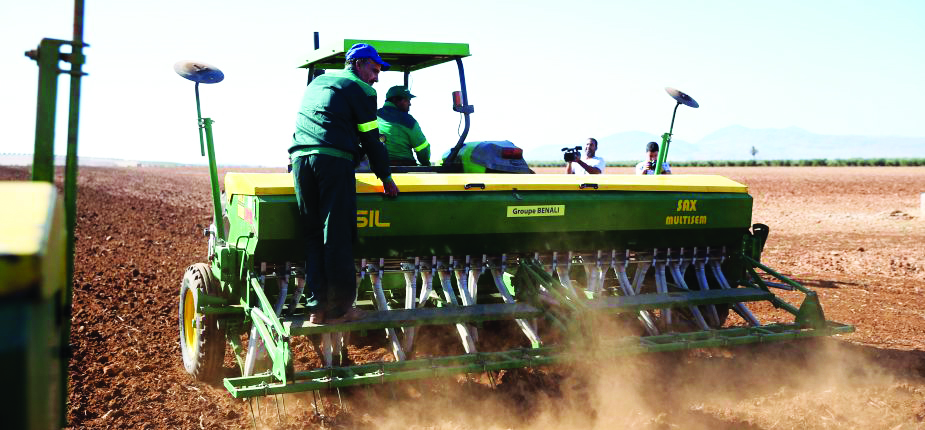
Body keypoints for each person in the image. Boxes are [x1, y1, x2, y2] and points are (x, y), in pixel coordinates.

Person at [289, 43, 399, 324]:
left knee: (313, 233)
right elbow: (371, 139)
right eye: (374, 70)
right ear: (359, 64)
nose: (376, 77)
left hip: (301, 160)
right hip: (333, 161)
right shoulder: (362, 90)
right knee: (337, 234)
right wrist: (385, 177)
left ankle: (316, 308)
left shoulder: (317, 83)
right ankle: (341, 309)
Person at [377, 86, 431, 166]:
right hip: (404, 169)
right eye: (407, 100)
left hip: (376, 168)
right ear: (395, 100)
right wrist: (426, 163)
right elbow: (423, 151)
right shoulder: (408, 121)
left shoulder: (372, 116)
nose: (410, 103)